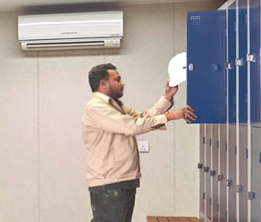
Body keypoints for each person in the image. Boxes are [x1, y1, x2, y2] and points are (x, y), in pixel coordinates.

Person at [82, 63, 196, 222]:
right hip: (109, 184)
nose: (122, 83)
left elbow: (142, 118)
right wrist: (170, 116)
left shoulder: (114, 106)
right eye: (118, 79)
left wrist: (167, 97)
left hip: (121, 182)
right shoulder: (96, 107)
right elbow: (132, 126)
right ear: (103, 84)